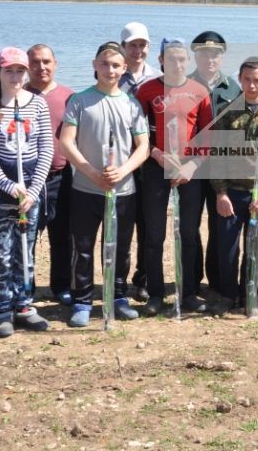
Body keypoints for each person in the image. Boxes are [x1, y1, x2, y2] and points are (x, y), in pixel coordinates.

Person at [60, 42, 150, 327]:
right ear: (94, 65)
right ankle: (82, 300)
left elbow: (143, 147)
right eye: (104, 64)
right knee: (83, 247)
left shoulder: (131, 104)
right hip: (86, 188)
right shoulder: (79, 101)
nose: (109, 70)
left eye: (115, 65)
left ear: (124, 69)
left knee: (120, 247)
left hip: (123, 190)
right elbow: (66, 141)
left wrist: (123, 170)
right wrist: (89, 171)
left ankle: (118, 297)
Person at [0, 47, 54, 338]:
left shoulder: (37, 104)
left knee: (25, 251)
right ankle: (3, 307)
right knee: (3, 254)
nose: (15, 76)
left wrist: (32, 191)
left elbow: (46, 149)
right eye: (9, 70)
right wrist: (7, 185)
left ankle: (24, 304)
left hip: (30, 188)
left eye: (20, 70)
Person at [135, 38, 214, 315]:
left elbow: (208, 136)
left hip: (189, 171)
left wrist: (191, 166)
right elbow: (136, 134)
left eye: (182, 59)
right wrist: (155, 153)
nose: (177, 64)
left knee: (188, 234)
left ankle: (189, 292)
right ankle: (155, 294)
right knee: (154, 235)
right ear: (160, 61)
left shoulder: (199, 91)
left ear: (188, 61)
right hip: (156, 169)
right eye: (171, 59)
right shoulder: (147, 90)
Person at [208, 57, 258, 316]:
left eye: (257, 80)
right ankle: (228, 295)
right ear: (240, 79)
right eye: (247, 79)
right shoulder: (228, 113)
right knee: (227, 249)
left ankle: (248, 293)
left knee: (256, 249)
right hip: (232, 194)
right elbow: (216, 155)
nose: (252, 85)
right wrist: (221, 193)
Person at [188, 30, 242, 294]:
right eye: (204, 53)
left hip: (224, 168)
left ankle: (220, 281)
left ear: (222, 57)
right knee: (190, 225)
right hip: (192, 168)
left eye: (215, 54)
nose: (210, 58)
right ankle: (192, 279)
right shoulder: (182, 85)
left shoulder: (234, 89)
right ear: (195, 55)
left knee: (221, 225)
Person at [26, 44, 75, 305]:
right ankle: (26, 286)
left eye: (46, 61)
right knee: (26, 235)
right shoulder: (17, 95)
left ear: (55, 63)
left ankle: (61, 285)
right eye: (35, 62)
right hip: (26, 180)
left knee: (63, 235)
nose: (41, 67)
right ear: (27, 65)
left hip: (60, 176)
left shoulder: (69, 97)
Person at [119, 21, 159, 302]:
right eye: (132, 45)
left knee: (149, 225)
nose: (138, 50)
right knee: (122, 223)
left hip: (150, 165)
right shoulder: (112, 76)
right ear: (123, 47)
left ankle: (143, 278)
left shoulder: (158, 78)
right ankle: (118, 278)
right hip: (121, 162)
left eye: (142, 45)